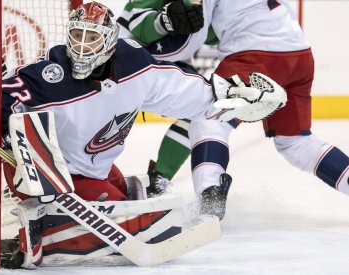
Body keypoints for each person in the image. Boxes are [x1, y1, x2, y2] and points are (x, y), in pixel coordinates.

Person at [0, 1, 284, 268]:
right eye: (77, 35)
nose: (83, 46)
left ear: (110, 41)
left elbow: (178, 90)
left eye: (92, 38)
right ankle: (33, 241)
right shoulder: (50, 75)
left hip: (92, 166)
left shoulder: (134, 64)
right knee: (141, 222)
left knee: (128, 193)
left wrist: (226, 96)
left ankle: (75, 218)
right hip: (49, 174)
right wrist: (10, 138)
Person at [118, 0, 349, 220]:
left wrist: (149, 56)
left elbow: (192, 36)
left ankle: (209, 201)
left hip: (256, 56)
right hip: (299, 55)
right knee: (296, 142)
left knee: (208, 118)